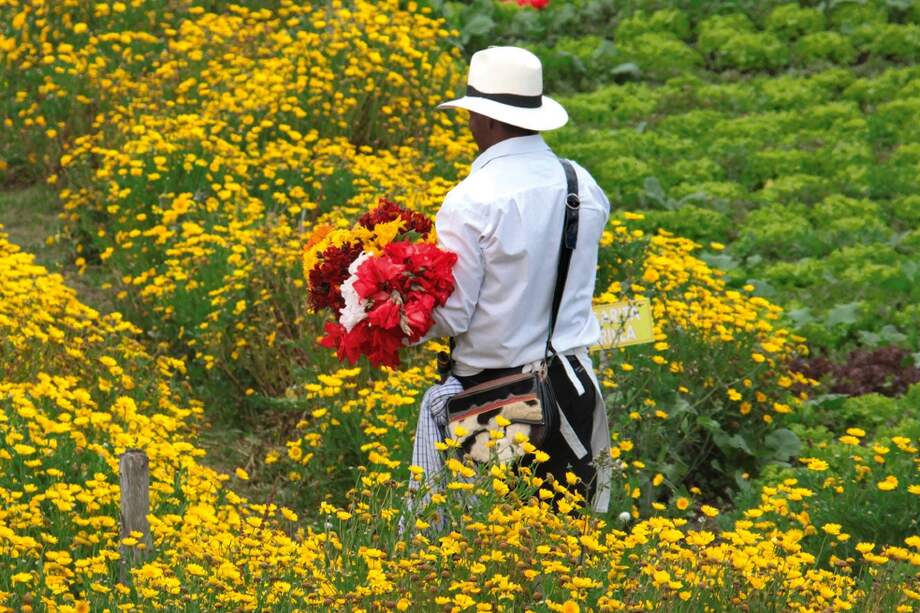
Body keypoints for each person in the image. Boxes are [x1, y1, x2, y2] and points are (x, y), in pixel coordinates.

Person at [413, 46, 611, 513]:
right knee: (565, 545)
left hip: (499, 404)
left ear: (485, 120)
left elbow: (454, 314)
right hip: (573, 388)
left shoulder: (473, 199)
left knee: (483, 544)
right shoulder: (579, 183)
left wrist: (391, 313)